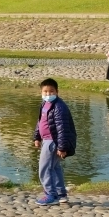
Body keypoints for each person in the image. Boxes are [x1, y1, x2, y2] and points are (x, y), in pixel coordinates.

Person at [31, 78, 76, 206]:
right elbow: (40, 122)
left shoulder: (59, 107)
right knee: (54, 168)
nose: (48, 94)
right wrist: (37, 137)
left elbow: (63, 128)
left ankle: (50, 194)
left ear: (57, 92)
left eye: (51, 91)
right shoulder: (44, 104)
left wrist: (62, 147)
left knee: (44, 169)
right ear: (41, 92)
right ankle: (61, 195)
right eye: (45, 91)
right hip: (45, 140)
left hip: (53, 141)